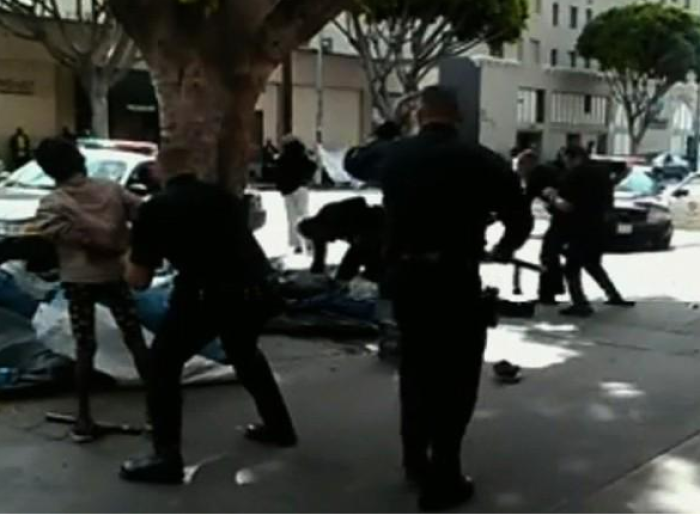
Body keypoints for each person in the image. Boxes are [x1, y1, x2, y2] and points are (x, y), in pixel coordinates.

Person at [378, 86, 533, 511]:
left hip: (407, 279)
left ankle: (414, 460)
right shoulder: (482, 161)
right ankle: (444, 472)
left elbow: (358, 161)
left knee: (415, 370)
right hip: (455, 279)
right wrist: (501, 250)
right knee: (457, 378)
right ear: (459, 116)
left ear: (420, 115)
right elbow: (520, 220)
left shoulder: (394, 156)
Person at [120, 147, 297, 485]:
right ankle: (279, 427)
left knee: (162, 366)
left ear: (159, 171)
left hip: (206, 295)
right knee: (244, 353)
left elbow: (138, 280)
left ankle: (166, 457)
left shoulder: (155, 209)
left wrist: (124, 249)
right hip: (258, 290)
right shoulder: (222, 197)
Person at [32, 138, 150, 442]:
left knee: (85, 347)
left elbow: (53, 234)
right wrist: (123, 243)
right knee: (135, 339)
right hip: (115, 275)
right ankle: (158, 411)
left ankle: (84, 419)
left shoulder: (52, 204)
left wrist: (88, 238)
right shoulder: (111, 189)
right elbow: (145, 214)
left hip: (79, 280)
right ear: (79, 160)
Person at [548, 145, 635, 317]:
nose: (564, 163)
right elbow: (625, 171)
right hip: (601, 226)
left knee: (572, 266)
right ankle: (614, 296)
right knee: (592, 263)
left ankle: (580, 303)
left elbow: (567, 206)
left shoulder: (574, 175)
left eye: (565, 159)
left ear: (571, 158)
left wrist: (552, 196)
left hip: (580, 227)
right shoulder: (601, 172)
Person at [516, 150, 567, 304]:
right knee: (555, 253)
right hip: (565, 215)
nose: (518, 169)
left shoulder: (537, 175)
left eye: (520, 165)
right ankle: (555, 287)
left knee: (548, 254)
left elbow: (525, 201)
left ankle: (547, 294)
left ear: (529, 164)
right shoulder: (547, 171)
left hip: (565, 216)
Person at [298, 197, 385, 283]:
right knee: (344, 274)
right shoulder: (320, 234)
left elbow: (360, 201)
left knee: (372, 265)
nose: (329, 240)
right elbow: (319, 259)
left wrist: (358, 232)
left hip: (377, 227)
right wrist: (316, 276)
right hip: (361, 240)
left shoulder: (331, 213)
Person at [271, 136, 316, 254]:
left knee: (292, 218)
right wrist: (306, 179)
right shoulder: (302, 155)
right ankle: (309, 242)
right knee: (304, 215)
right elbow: (312, 166)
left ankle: (297, 244)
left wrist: (280, 187)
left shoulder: (283, 158)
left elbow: (277, 173)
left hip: (287, 190)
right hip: (301, 188)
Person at [344, 120, 402, 186]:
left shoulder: (375, 147)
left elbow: (352, 164)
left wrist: (355, 149)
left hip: (372, 182)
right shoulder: (398, 148)